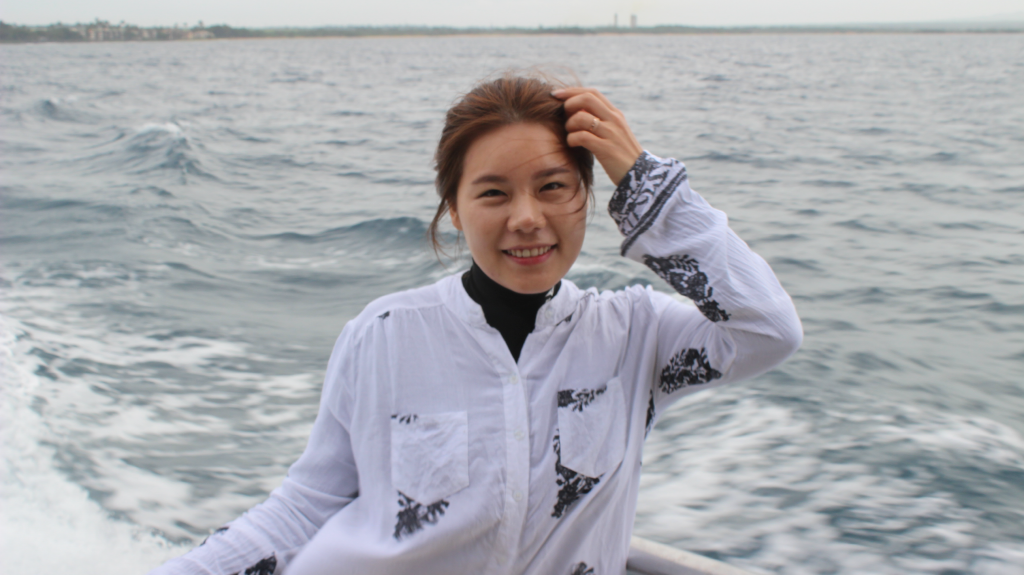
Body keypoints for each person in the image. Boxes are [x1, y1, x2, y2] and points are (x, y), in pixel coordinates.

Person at [149, 74, 802, 575]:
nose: (526, 217)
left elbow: (768, 329)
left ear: (588, 198)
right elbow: (307, 507)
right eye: (493, 193)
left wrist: (649, 187)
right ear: (456, 211)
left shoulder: (636, 337)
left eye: (553, 186)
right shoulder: (384, 336)